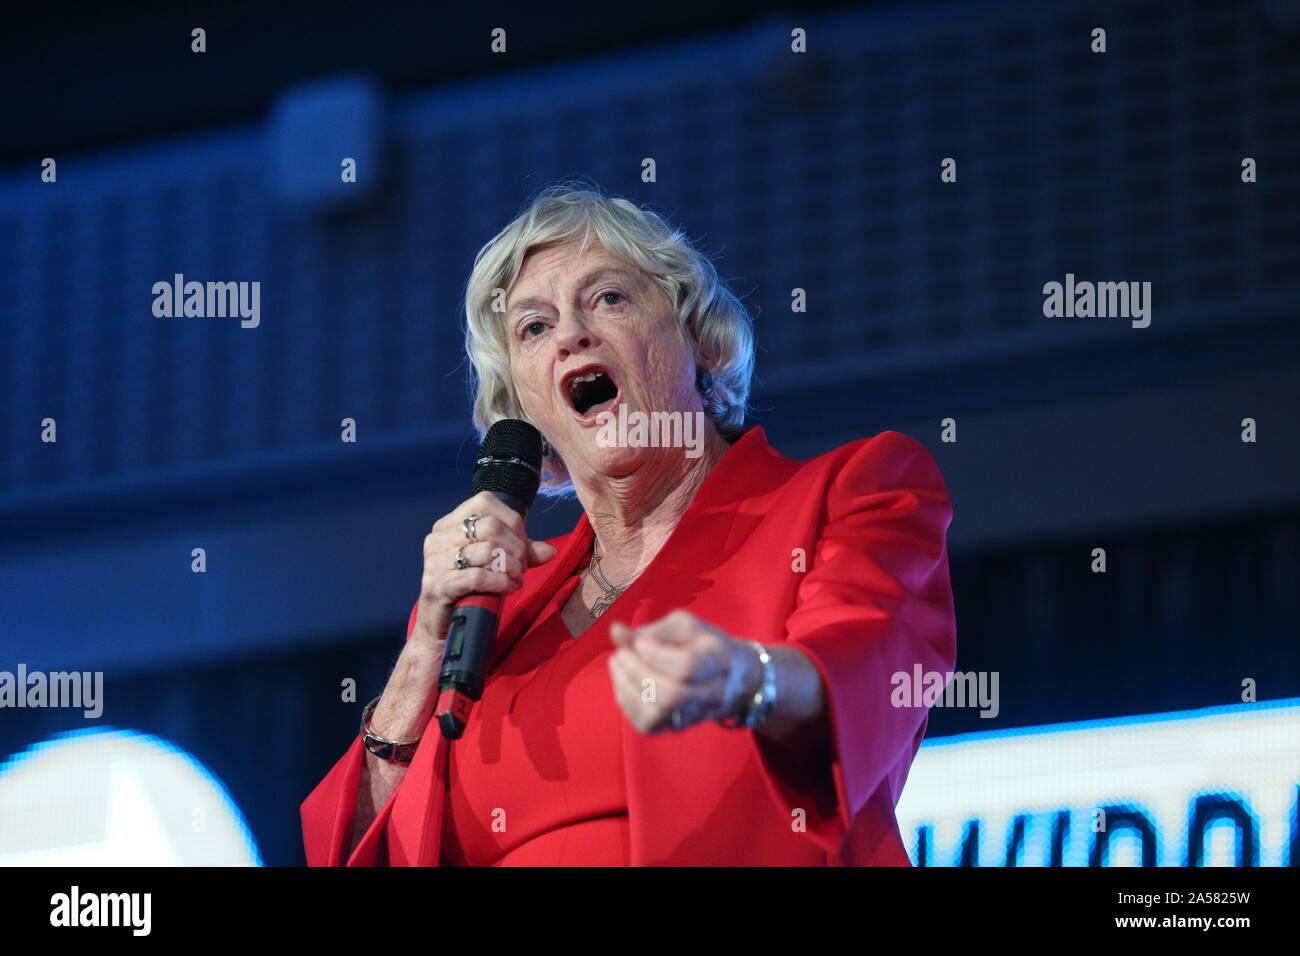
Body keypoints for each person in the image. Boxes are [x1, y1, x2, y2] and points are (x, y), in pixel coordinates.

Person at [300, 181, 957, 866]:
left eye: (609, 298)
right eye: (534, 327)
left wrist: (747, 680)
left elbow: (865, 669)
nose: (572, 335)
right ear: (524, 408)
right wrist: (423, 648)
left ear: (699, 339)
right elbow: (355, 854)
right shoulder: (489, 605)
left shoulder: (843, 494)